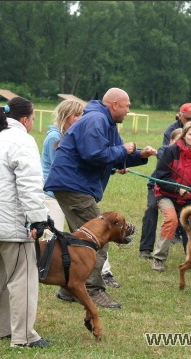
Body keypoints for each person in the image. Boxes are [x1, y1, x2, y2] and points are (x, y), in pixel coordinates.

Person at [44, 88, 157, 308]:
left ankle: (69, 289)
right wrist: (124, 149)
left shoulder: (106, 123)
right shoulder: (96, 120)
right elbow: (94, 154)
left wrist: (139, 154)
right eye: (127, 105)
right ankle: (92, 290)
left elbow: (114, 155)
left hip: (73, 185)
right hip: (74, 185)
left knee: (78, 240)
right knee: (99, 238)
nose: (128, 110)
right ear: (114, 105)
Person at [0, 97, 51, 347]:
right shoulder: (23, 140)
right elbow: (29, 184)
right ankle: (24, 337)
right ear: (25, 119)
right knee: (24, 280)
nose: (33, 124)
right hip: (9, 223)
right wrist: (39, 219)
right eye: (32, 119)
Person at [151, 122, 191, 272]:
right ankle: (158, 259)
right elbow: (161, 176)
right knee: (171, 220)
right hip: (166, 194)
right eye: (190, 134)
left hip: (189, 197)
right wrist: (177, 188)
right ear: (184, 135)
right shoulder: (170, 151)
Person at [41, 100, 83, 238]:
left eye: (81, 115)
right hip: (52, 195)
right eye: (76, 114)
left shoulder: (68, 136)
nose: (80, 118)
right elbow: (62, 168)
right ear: (65, 115)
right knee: (52, 238)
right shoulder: (54, 137)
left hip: (64, 194)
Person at [139, 128, 183, 260]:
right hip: (157, 187)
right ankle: (145, 249)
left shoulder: (188, 154)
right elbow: (162, 157)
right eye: (176, 141)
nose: (178, 145)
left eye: (182, 141)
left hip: (177, 190)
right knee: (152, 208)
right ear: (170, 141)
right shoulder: (165, 150)